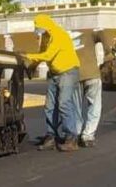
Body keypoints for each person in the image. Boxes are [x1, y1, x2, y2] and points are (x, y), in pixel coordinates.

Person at [26, 15, 81, 152]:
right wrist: (32, 66)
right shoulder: (46, 36)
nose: (39, 32)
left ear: (46, 26)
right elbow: (42, 53)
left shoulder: (59, 35)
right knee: (49, 106)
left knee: (64, 103)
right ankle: (51, 136)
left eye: (40, 29)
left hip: (68, 71)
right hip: (54, 73)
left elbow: (48, 55)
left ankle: (71, 138)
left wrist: (28, 56)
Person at [71, 29, 104, 148]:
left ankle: (77, 132)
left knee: (76, 107)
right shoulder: (90, 32)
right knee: (94, 105)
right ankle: (88, 135)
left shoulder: (66, 37)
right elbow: (102, 36)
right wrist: (109, 53)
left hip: (75, 76)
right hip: (92, 74)